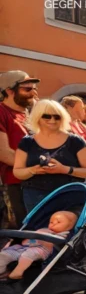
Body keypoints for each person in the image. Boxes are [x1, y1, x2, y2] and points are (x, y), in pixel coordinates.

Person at [13, 100, 86, 211]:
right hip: (35, 196)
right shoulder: (27, 142)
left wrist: (64, 169)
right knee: (39, 228)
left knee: (66, 228)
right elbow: (17, 171)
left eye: (57, 117)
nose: (52, 120)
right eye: (47, 116)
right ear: (38, 117)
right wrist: (33, 170)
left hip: (70, 195)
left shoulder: (76, 141)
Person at [0, 70, 39, 226]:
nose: (34, 93)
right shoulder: (2, 111)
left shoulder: (28, 115)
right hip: (11, 185)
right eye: (27, 89)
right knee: (16, 235)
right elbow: (4, 154)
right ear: (10, 91)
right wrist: (37, 166)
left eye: (34, 88)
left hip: (31, 183)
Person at [0, 210, 77, 279]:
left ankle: (17, 272)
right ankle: (2, 271)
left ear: (69, 226)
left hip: (42, 249)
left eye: (58, 222)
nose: (53, 224)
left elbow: (52, 243)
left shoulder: (63, 235)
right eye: (51, 222)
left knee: (29, 254)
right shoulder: (43, 230)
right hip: (24, 247)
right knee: (6, 253)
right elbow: (31, 239)